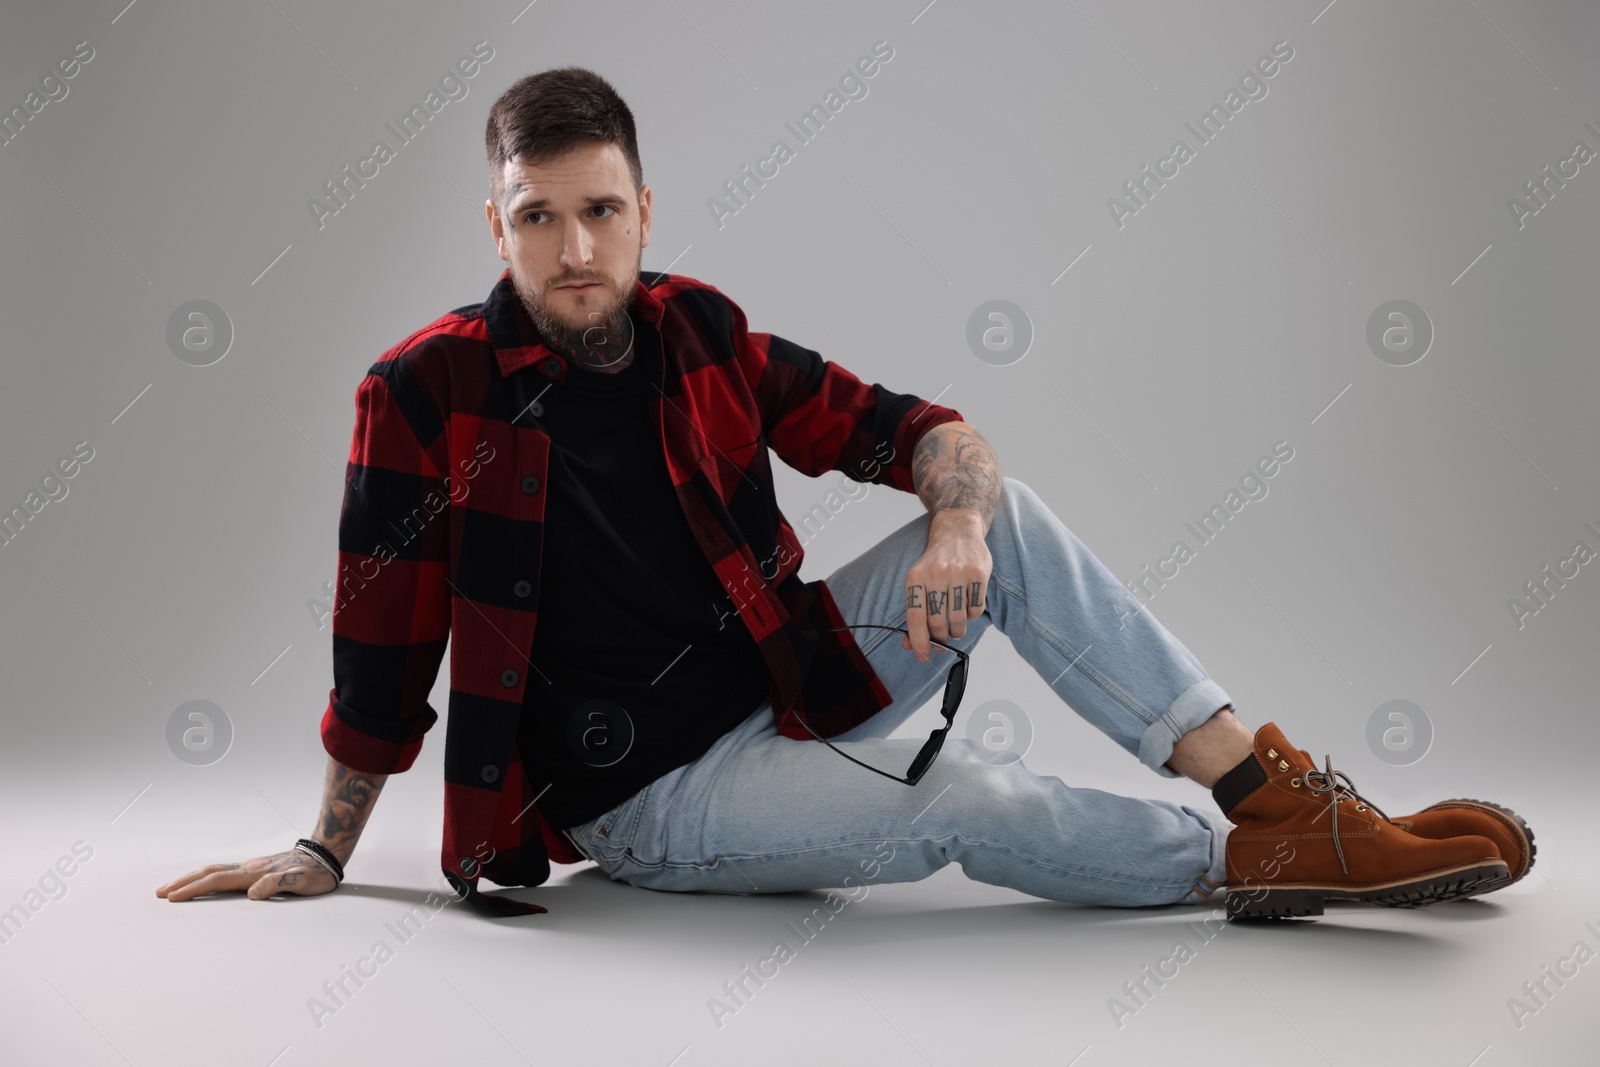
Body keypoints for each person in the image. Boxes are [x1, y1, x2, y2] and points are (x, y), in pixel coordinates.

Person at [157, 67, 1534, 922]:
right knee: (980, 800)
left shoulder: (703, 333)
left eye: (602, 211)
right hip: (651, 797)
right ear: (496, 222)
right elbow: (382, 648)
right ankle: (1246, 871)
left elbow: (926, 430)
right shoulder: (424, 392)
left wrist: (952, 518)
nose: (574, 249)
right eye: (537, 216)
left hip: (794, 673)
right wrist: (325, 849)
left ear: (645, 208)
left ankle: (1275, 799)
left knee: (1008, 513)